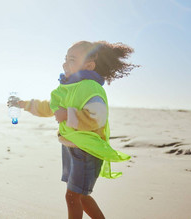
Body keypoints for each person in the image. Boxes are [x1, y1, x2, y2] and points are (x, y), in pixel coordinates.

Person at [15, 40, 138, 219]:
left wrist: (68, 115)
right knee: (81, 196)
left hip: (86, 151)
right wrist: (24, 104)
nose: (65, 63)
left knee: (72, 197)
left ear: (88, 65)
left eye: (72, 59)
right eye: (65, 59)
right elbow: (49, 107)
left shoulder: (91, 88)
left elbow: (97, 117)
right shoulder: (66, 88)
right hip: (70, 148)